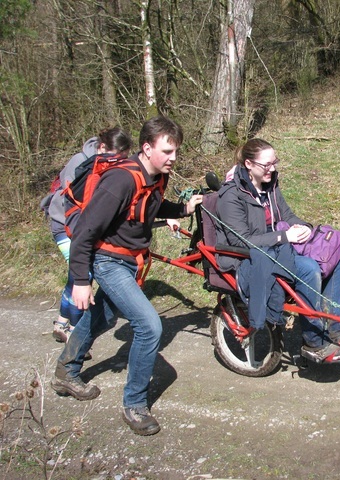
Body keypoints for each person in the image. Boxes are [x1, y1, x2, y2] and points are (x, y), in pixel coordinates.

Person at [50, 116, 203, 436]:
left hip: (130, 261)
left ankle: (66, 370)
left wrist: (183, 210)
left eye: (176, 151)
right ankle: (134, 405)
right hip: (108, 261)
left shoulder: (158, 177)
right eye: (167, 151)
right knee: (149, 326)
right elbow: (86, 231)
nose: (173, 157)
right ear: (147, 148)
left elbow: (151, 207)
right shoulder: (121, 179)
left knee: (102, 317)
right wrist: (80, 280)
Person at [214, 138, 340, 363]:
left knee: (336, 258)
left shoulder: (269, 184)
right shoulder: (231, 195)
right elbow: (241, 240)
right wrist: (284, 236)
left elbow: (287, 215)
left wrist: (304, 227)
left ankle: (334, 327)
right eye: (267, 165)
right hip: (248, 258)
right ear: (248, 164)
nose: (272, 169)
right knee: (308, 269)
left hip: (277, 248)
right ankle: (313, 341)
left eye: (275, 162)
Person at [42, 128, 133, 343]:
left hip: (82, 226)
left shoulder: (106, 164)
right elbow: (76, 201)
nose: (120, 162)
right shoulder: (79, 162)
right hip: (63, 224)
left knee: (76, 275)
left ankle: (62, 320)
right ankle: (74, 331)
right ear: (102, 148)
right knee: (84, 274)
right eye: (118, 157)